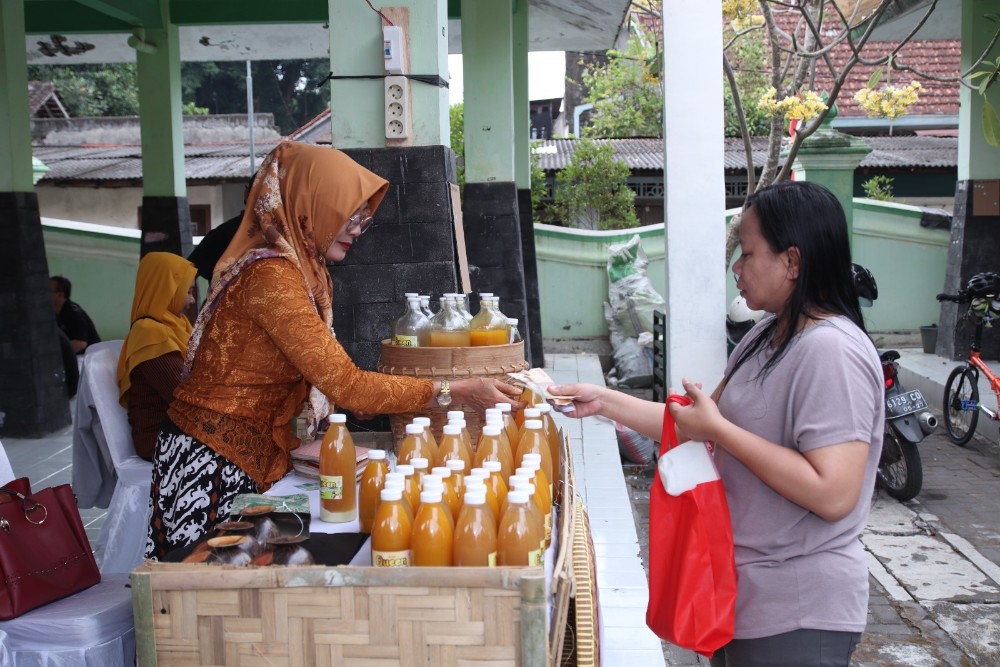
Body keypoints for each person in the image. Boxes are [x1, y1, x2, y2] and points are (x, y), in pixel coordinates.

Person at [551, 180, 883, 667]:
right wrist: (602, 400)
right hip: (740, 595)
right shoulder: (766, 333)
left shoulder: (831, 351)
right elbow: (693, 424)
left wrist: (722, 433)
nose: (737, 269)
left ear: (792, 262)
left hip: (798, 608)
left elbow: (833, 493)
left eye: (748, 254)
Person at [145, 141, 523, 558]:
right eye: (350, 214)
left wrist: (365, 395)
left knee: (245, 585)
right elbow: (346, 384)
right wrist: (457, 389)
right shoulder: (271, 278)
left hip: (255, 449)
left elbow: (329, 374)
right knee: (201, 589)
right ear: (311, 203)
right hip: (212, 457)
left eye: (364, 217)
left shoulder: (301, 271)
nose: (358, 227)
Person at [117, 252, 197, 461]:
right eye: (186, 291)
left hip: (188, 428)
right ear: (165, 290)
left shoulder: (178, 325)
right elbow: (184, 394)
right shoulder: (150, 332)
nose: (191, 300)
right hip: (161, 439)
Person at [51, 275, 101, 354]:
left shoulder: (74, 313)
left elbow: (80, 343)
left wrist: (55, 354)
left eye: (47, 290)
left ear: (60, 295)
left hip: (88, 358)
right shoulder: (53, 313)